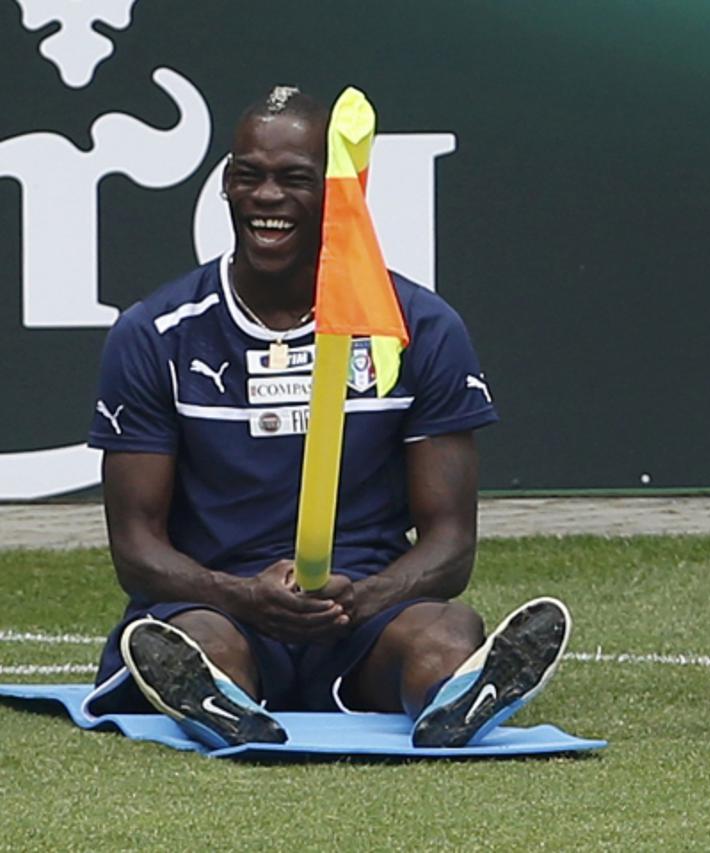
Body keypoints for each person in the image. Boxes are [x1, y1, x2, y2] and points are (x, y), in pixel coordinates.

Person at [85, 86, 570, 750]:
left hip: (366, 608)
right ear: (226, 185)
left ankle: (459, 693)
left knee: (446, 631)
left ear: (341, 195)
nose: (266, 197)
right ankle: (218, 697)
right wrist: (245, 596)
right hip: (220, 605)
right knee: (194, 643)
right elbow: (135, 548)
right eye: (248, 176)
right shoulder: (156, 332)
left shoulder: (420, 329)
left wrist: (354, 601)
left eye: (294, 179)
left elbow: (451, 542)